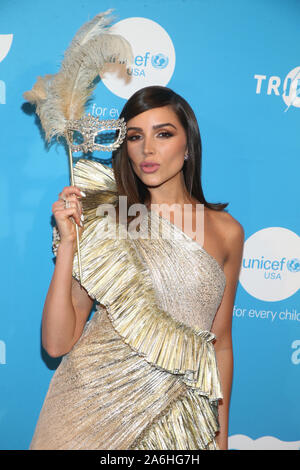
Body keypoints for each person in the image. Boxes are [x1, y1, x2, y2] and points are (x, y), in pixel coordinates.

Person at [29, 85, 244, 450]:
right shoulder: (107, 216)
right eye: (134, 136)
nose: (148, 149)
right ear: (124, 147)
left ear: (188, 145)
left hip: (173, 419)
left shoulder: (227, 233)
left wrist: (219, 438)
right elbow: (56, 342)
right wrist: (67, 245)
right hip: (86, 411)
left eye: (163, 134)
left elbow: (219, 344)